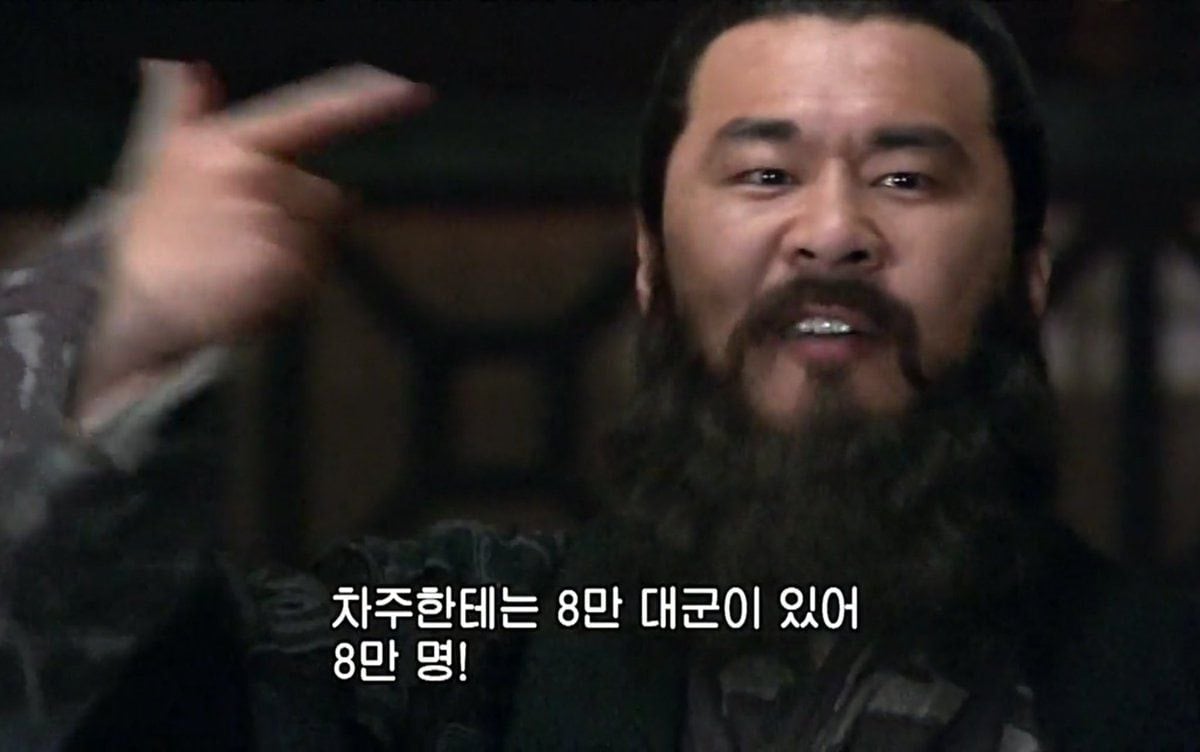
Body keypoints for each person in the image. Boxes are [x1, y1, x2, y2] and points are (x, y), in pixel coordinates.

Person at [0, 1, 1196, 749]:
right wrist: (104, 334)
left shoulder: (1165, 677)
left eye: (907, 178)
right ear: (650, 268)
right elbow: (123, 701)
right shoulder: (482, 644)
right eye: (765, 174)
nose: (832, 232)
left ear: (1028, 276)